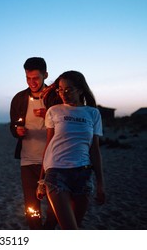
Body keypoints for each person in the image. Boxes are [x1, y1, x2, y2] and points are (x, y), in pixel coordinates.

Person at [38, 70, 105, 229]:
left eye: (68, 89)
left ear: (80, 89)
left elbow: (95, 150)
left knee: (76, 224)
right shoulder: (54, 111)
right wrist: (41, 181)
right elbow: (49, 146)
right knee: (70, 228)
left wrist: (101, 184)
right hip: (56, 172)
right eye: (60, 89)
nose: (63, 93)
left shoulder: (93, 113)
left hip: (83, 173)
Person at [9, 57, 58, 229]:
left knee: (55, 207)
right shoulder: (19, 99)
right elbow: (13, 126)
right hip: (28, 160)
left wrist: (50, 114)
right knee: (31, 207)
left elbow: (65, 126)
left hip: (54, 161)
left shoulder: (55, 99)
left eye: (36, 78)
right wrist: (17, 131)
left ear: (45, 75)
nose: (32, 82)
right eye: (28, 78)